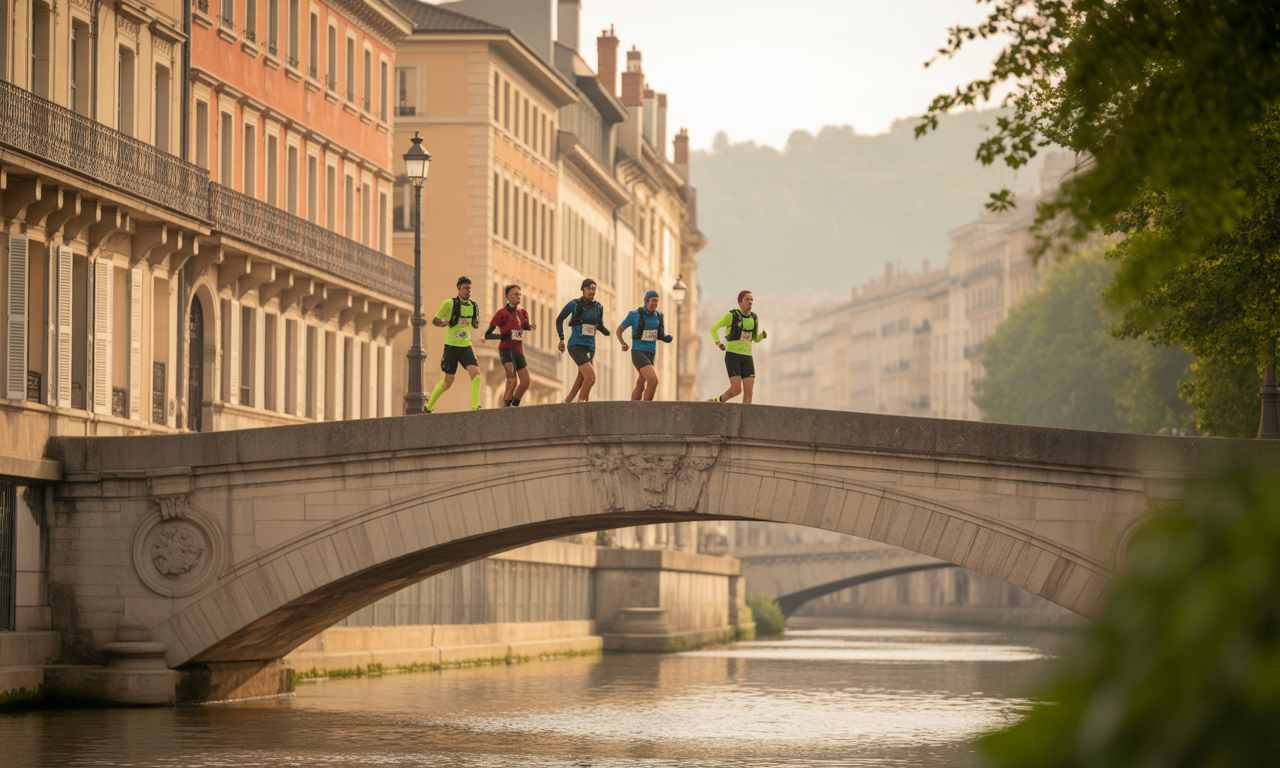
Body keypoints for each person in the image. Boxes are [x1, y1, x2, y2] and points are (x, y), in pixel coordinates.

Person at [424, 276, 485, 413]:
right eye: (465, 288)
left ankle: (475, 407)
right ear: (458, 289)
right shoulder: (448, 304)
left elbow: (474, 325)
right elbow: (435, 320)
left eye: (470, 288)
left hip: (466, 347)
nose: (468, 291)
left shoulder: (474, 306)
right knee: (447, 383)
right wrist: (444, 323)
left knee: (476, 375)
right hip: (451, 347)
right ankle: (428, 407)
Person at [556, 278, 610, 403]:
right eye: (588, 288)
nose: (591, 291)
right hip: (576, 345)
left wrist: (611, 333)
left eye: (594, 289)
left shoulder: (598, 307)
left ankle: (567, 402)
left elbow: (600, 326)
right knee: (591, 378)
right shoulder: (574, 304)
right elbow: (559, 319)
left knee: (581, 379)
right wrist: (561, 339)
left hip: (590, 346)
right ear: (582, 289)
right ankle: (582, 405)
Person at [708, 290, 766, 404]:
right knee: (736, 390)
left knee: (749, 392)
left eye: (752, 300)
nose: (750, 302)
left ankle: (745, 418)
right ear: (740, 302)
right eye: (747, 299)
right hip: (733, 356)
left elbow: (755, 339)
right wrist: (718, 343)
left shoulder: (754, 318)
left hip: (747, 357)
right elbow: (713, 328)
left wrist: (762, 336)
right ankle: (718, 401)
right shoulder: (731, 315)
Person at [617, 290, 673, 401]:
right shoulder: (633, 315)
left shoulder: (659, 317)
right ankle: (646, 409)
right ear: (646, 301)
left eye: (657, 301)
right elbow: (619, 331)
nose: (655, 303)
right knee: (653, 380)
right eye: (653, 300)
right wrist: (623, 343)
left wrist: (665, 338)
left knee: (641, 382)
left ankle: (633, 407)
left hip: (651, 352)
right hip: (638, 352)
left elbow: (659, 334)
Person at [485, 284, 535, 407]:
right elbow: (487, 335)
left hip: (518, 351)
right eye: (515, 294)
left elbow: (523, 327)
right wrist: (503, 336)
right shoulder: (501, 313)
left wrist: (530, 327)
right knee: (512, 381)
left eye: (519, 294)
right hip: (506, 350)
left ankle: (514, 405)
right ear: (507, 296)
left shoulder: (523, 313)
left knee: (526, 382)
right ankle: (505, 409)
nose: (518, 296)